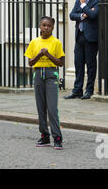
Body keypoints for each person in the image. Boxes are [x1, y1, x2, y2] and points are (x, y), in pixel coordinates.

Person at [24, 16, 65, 150]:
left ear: (53, 27)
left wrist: (48, 55)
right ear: (40, 27)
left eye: (49, 26)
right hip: (38, 74)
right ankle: (44, 136)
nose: (46, 28)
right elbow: (30, 63)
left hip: (51, 74)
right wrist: (39, 55)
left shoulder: (56, 43)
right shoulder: (34, 42)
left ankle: (57, 138)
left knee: (52, 109)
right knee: (41, 108)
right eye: (44, 25)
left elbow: (61, 63)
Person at [65, 0, 99, 100]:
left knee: (90, 65)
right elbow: (72, 15)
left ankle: (89, 90)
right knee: (78, 64)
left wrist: (84, 6)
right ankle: (77, 90)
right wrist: (82, 15)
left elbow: (94, 15)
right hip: (79, 36)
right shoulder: (77, 0)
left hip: (91, 38)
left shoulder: (97, 1)